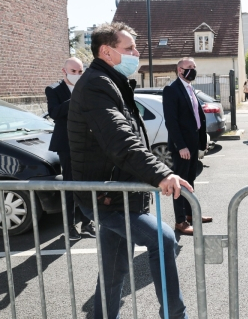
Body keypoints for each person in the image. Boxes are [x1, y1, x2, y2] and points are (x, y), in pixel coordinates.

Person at [68, 22, 192, 319]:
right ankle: (177, 316)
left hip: (116, 194)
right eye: (129, 49)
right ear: (107, 52)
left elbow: (132, 137)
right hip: (107, 198)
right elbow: (120, 139)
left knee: (113, 270)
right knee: (163, 239)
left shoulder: (111, 82)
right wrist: (161, 174)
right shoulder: (97, 84)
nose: (136, 53)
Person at [45, 57, 96, 241]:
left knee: (87, 185)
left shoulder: (86, 88)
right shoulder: (54, 89)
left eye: (80, 71)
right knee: (69, 185)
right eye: (73, 71)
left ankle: (87, 223)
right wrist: (74, 98)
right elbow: (55, 113)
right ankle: (69, 227)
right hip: (66, 145)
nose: (77, 75)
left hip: (87, 144)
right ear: (64, 70)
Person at [163, 57, 212, 236]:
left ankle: (190, 214)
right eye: (189, 67)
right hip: (182, 146)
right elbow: (171, 121)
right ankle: (180, 221)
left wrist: (201, 142)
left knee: (190, 181)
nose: (192, 69)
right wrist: (181, 146)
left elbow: (197, 117)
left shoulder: (190, 88)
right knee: (180, 184)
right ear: (179, 70)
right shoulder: (171, 90)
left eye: (194, 67)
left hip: (192, 144)